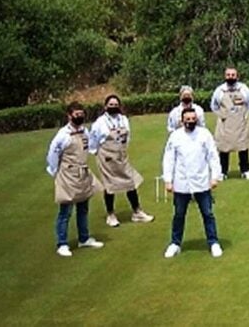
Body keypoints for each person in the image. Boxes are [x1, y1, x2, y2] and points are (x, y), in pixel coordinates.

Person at [162, 108, 222, 258]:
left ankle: (213, 242)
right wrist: (168, 180)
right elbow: (169, 159)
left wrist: (215, 176)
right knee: (179, 215)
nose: (190, 122)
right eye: (187, 119)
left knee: (208, 214)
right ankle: (175, 243)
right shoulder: (175, 136)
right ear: (182, 121)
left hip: (201, 181)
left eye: (193, 119)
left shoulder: (204, 134)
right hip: (182, 182)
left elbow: (213, 156)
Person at [46, 102, 104, 257]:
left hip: (82, 173)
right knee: (65, 211)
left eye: (81, 113)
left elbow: (90, 147)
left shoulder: (85, 132)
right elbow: (53, 155)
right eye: (76, 114)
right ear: (69, 115)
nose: (79, 117)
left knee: (83, 208)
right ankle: (62, 243)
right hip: (68, 175)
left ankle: (84, 238)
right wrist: (55, 172)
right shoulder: (62, 135)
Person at [89, 95, 152, 227]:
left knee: (130, 182)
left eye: (116, 104)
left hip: (121, 156)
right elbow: (93, 140)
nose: (113, 107)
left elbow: (127, 136)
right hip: (107, 157)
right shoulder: (100, 123)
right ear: (105, 106)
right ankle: (111, 215)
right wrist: (98, 153)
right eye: (110, 105)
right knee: (110, 185)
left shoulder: (123, 119)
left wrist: (122, 150)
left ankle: (137, 212)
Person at [210, 68, 249, 179]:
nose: (231, 77)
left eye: (233, 75)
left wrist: (244, 115)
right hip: (225, 124)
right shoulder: (219, 90)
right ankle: (223, 172)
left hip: (241, 123)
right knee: (224, 147)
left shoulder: (243, 89)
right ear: (225, 76)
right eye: (228, 75)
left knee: (243, 146)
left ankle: (245, 170)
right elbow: (214, 105)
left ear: (237, 76)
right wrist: (222, 116)